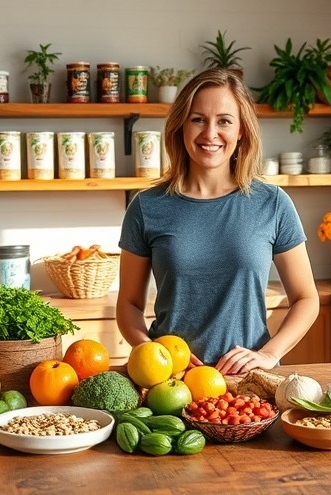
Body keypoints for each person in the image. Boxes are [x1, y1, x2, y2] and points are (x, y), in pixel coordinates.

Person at [116, 68, 319, 375]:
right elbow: (129, 304)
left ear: (241, 131)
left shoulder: (272, 203)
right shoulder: (146, 206)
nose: (210, 133)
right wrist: (151, 353)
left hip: (251, 383)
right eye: (198, 119)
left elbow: (306, 299)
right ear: (181, 126)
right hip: (173, 382)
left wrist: (268, 354)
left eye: (224, 120)